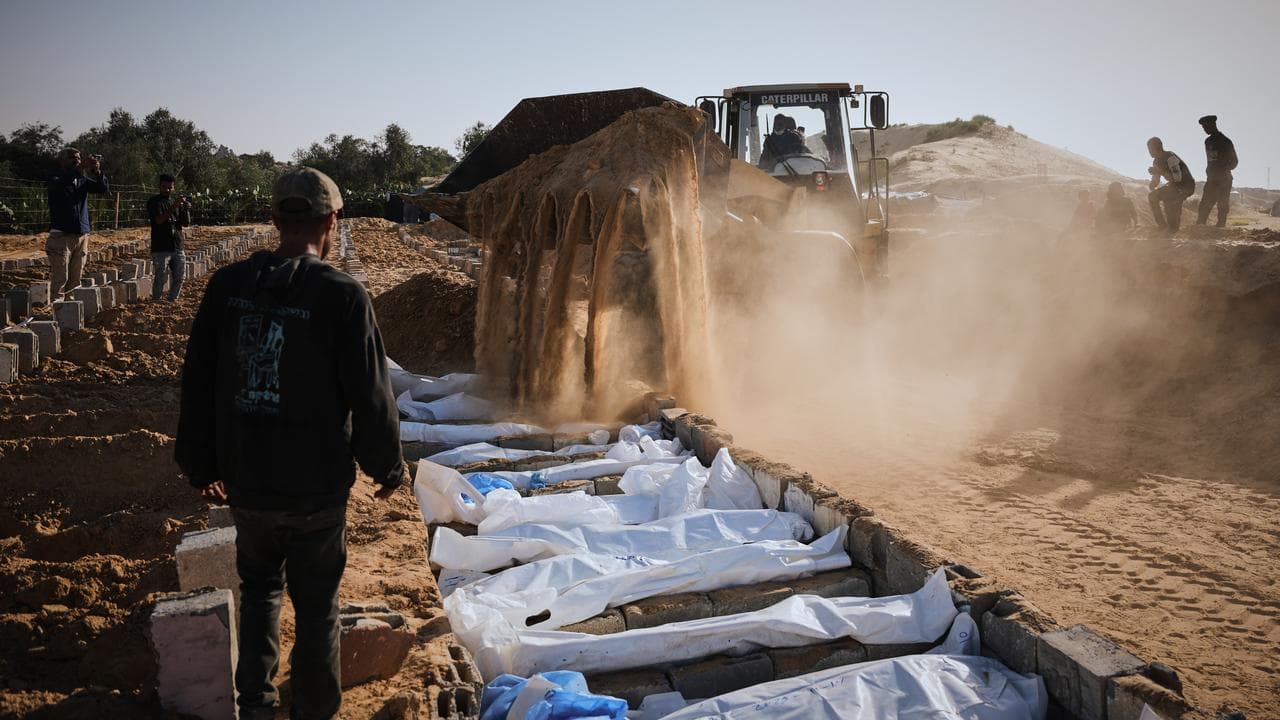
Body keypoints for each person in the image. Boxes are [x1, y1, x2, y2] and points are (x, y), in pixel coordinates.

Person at [175, 167, 404, 720]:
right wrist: (387, 466)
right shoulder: (341, 296)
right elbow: (371, 395)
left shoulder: (228, 287)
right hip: (315, 490)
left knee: (259, 592)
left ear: (275, 219)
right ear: (331, 221)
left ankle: (255, 702)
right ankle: (315, 710)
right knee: (319, 605)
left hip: (247, 481)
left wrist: (200, 462)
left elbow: (198, 379)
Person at [46, 147, 109, 300]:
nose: (77, 161)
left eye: (79, 158)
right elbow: (61, 187)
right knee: (60, 278)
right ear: (62, 161)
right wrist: (80, 169)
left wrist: (97, 172)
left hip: (81, 236)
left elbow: (103, 188)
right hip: (61, 237)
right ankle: (55, 310)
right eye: (72, 158)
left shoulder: (82, 180)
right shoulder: (55, 178)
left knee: (75, 279)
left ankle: (69, 314)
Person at [146, 173, 193, 301]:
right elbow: (159, 220)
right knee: (161, 276)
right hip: (161, 246)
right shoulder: (154, 202)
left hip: (177, 244)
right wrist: (175, 206)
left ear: (174, 188)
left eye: (170, 187)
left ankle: (172, 301)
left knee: (180, 277)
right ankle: (156, 301)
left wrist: (186, 209)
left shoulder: (176, 202)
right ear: (159, 186)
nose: (167, 190)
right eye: (164, 187)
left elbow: (185, 223)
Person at [1146, 137, 1195, 234]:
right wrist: (1152, 184)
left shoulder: (1170, 157)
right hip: (1173, 186)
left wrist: (1159, 171)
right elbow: (1156, 180)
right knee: (1152, 197)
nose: (1149, 152)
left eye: (1150, 149)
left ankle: (1172, 229)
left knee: (1169, 201)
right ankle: (1162, 226)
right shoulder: (1156, 161)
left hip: (1186, 186)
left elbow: (1178, 178)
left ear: (1158, 147)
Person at [1196, 115, 1238, 227]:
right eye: (1203, 127)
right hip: (1211, 179)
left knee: (1222, 205)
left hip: (1224, 179)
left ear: (1213, 125)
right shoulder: (1207, 141)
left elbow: (1234, 161)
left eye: (1206, 126)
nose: (1204, 129)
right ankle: (1200, 226)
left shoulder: (1225, 141)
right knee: (1205, 204)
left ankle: (1220, 228)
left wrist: (1223, 170)